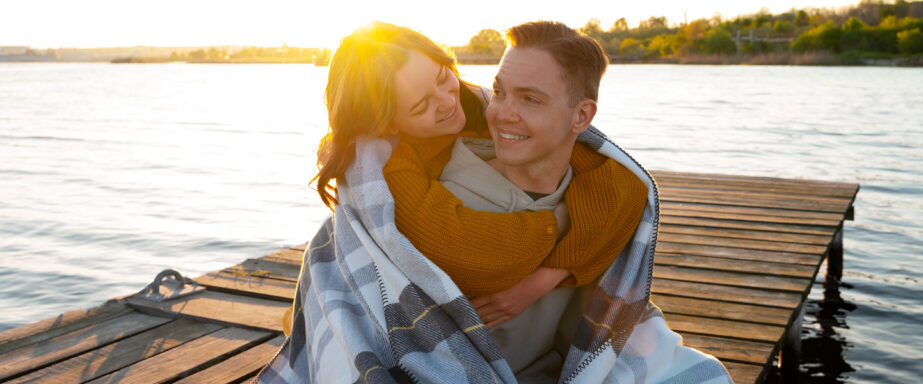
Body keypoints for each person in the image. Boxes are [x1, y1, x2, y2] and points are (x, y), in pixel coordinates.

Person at [258, 21, 732, 384]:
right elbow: (478, 254)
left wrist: (550, 275)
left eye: (444, 77)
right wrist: (558, 225)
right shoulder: (393, 171)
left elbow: (629, 187)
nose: (447, 102)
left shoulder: (475, 109)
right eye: (420, 106)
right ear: (387, 122)